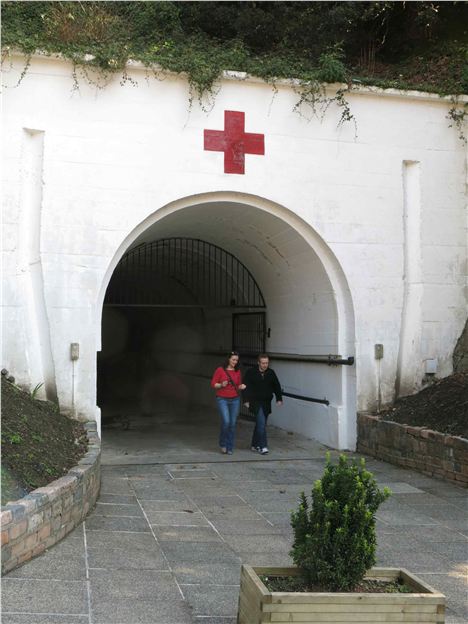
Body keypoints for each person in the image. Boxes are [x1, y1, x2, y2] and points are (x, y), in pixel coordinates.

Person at [243, 354, 282, 455]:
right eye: (263, 363)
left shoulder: (271, 373)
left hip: (266, 402)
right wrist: (246, 400)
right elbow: (245, 386)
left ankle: (254, 444)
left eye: (267, 363)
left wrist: (279, 398)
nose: (265, 365)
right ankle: (263, 446)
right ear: (258, 363)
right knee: (261, 422)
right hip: (255, 401)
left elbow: (277, 386)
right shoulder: (251, 372)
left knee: (261, 424)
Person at [211, 352, 246, 455]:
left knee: (232, 423)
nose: (235, 362)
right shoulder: (220, 370)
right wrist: (221, 384)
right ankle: (223, 444)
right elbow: (213, 384)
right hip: (222, 399)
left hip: (235, 399)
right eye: (233, 360)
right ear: (228, 359)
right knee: (226, 421)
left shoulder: (237, 371)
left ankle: (230, 446)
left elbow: (238, 385)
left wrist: (242, 386)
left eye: (236, 360)